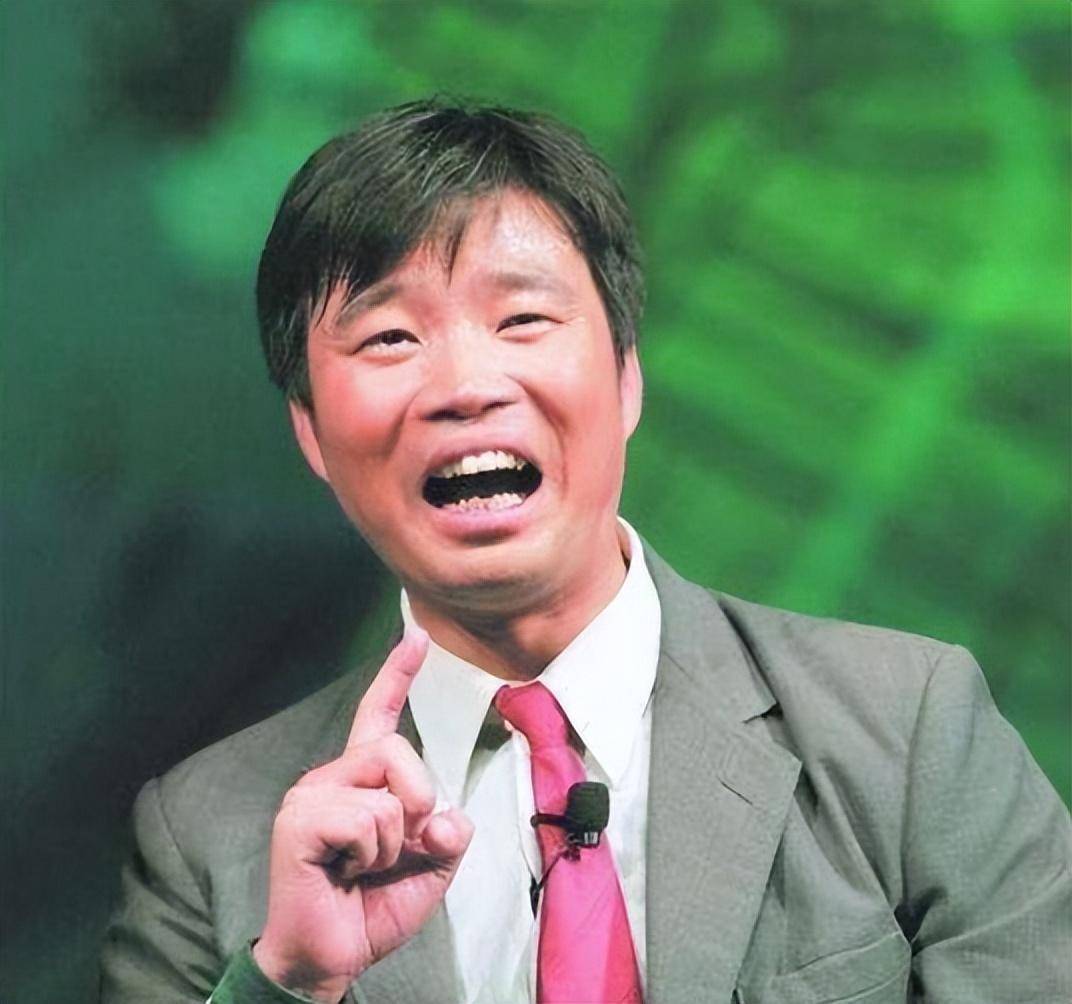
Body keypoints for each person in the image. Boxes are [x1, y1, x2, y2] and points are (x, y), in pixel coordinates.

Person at [100, 98, 1071, 1004]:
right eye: (390, 338)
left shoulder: (909, 734)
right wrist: (286, 981)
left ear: (627, 374)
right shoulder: (204, 838)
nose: (466, 385)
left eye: (522, 319)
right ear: (311, 432)